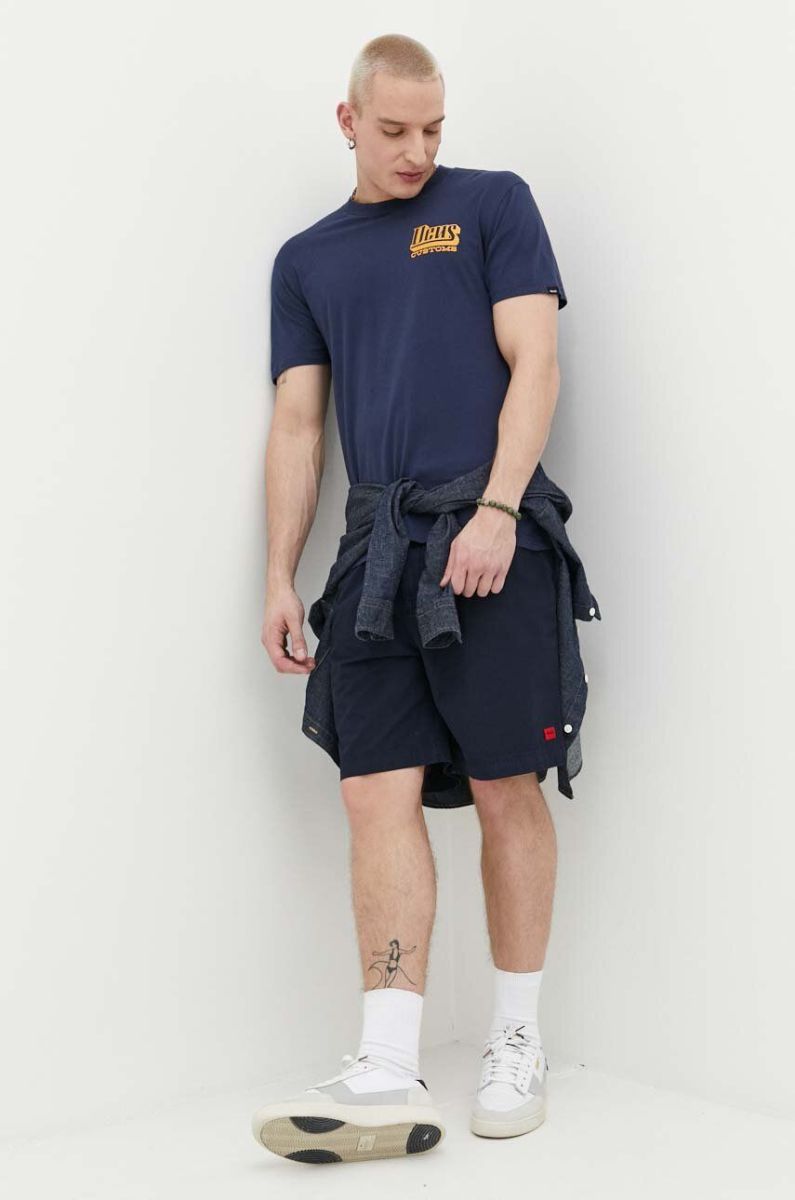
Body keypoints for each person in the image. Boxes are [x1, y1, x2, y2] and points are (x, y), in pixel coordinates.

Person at [252, 32, 586, 1165]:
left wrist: (497, 509)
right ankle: (387, 1060)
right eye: (394, 130)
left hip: (488, 532)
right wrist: (279, 574)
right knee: (372, 794)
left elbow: (535, 362)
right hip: (376, 551)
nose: (417, 150)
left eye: (433, 128)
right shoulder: (307, 260)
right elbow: (299, 425)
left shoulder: (491, 204)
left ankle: (517, 1039)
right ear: (347, 121)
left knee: (503, 785)